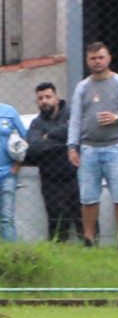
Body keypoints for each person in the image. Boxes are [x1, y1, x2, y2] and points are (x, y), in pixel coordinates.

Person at [67, 41, 118, 249]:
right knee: (88, 198)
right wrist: (72, 146)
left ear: (108, 58)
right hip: (89, 149)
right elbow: (75, 119)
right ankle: (89, 240)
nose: (97, 62)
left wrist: (117, 117)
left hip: (116, 147)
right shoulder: (82, 87)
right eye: (93, 58)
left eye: (101, 57)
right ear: (87, 60)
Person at [25, 82, 82, 242]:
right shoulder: (36, 123)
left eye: (48, 97)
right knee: (56, 222)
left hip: (76, 176)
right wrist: (63, 141)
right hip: (50, 180)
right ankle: (58, 253)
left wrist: (48, 137)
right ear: (37, 102)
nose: (44, 101)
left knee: (84, 221)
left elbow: (77, 134)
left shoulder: (72, 114)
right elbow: (33, 148)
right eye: (40, 98)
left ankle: (91, 250)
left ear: (57, 98)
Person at [0, 101, 29, 242]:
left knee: (6, 218)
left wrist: (18, 164)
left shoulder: (9, 112)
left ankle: (11, 254)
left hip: (7, 174)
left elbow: (25, 138)